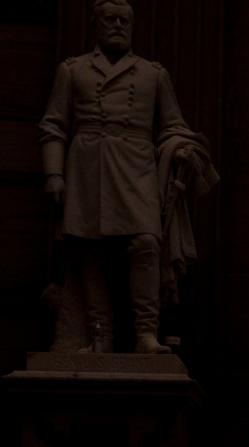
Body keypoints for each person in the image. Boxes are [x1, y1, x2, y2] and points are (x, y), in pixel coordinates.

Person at [40, 0, 216, 354]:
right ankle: (99, 335)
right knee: (90, 251)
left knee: (146, 244)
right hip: (88, 169)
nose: (118, 25)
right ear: (96, 25)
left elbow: (172, 126)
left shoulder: (154, 75)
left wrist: (180, 148)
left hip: (136, 169)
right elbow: (54, 125)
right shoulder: (72, 71)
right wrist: (54, 173)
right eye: (110, 19)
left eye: (124, 20)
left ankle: (145, 333)